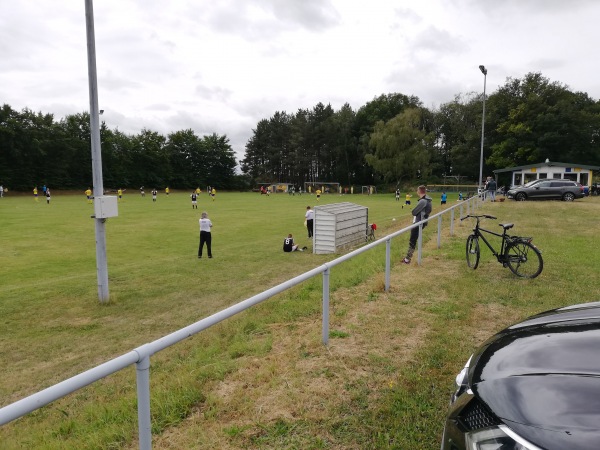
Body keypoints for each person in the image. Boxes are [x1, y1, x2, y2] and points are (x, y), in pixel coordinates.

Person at [402, 185, 433, 264]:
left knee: (412, 240)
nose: (416, 191)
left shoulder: (423, 201)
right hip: (422, 222)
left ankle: (407, 259)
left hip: (418, 223)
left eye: (417, 190)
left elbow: (414, 212)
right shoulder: (428, 200)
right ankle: (407, 258)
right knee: (413, 239)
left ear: (419, 191)